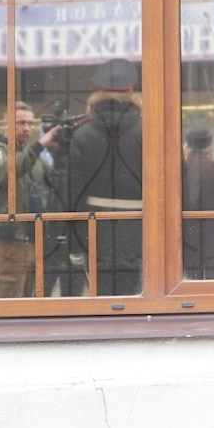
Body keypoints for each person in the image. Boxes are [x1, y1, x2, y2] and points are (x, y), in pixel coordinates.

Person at [64, 59, 145, 297]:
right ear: (131, 91)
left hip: (94, 230)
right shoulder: (148, 131)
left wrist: (74, 242)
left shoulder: (81, 134)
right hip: (140, 228)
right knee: (137, 299)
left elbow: (73, 191)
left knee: (103, 300)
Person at [0, 103, 61, 298]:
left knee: (28, 303)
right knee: (8, 303)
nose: (26, 128)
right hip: (8, 242)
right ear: (5, 124)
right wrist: (40, 146)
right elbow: (7, 171)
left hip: (32, 241)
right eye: (21, 123)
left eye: (29, 123)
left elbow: (55, 180)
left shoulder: (32, 157)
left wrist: (58, 152)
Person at [181, 121, 214, 280]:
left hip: (183, 239)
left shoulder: (180, 170)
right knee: (210, 281)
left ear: (187, 146)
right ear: (209, 148)